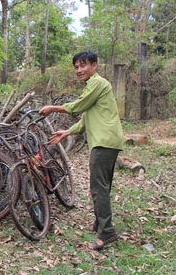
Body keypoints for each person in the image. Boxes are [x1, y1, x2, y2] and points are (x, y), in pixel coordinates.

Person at [39, 51, 124, 250]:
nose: (79, 70)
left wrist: (53, 108)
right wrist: (67, 132)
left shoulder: (97, 83)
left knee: (98, 187)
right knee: (102, 185)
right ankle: (100, 223)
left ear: (94, 65)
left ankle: (107, 232)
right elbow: (85, 118)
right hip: (107, 140)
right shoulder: (93, 87)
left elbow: (77, 107)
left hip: (104, 142)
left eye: (83, 65)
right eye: (76, 67)